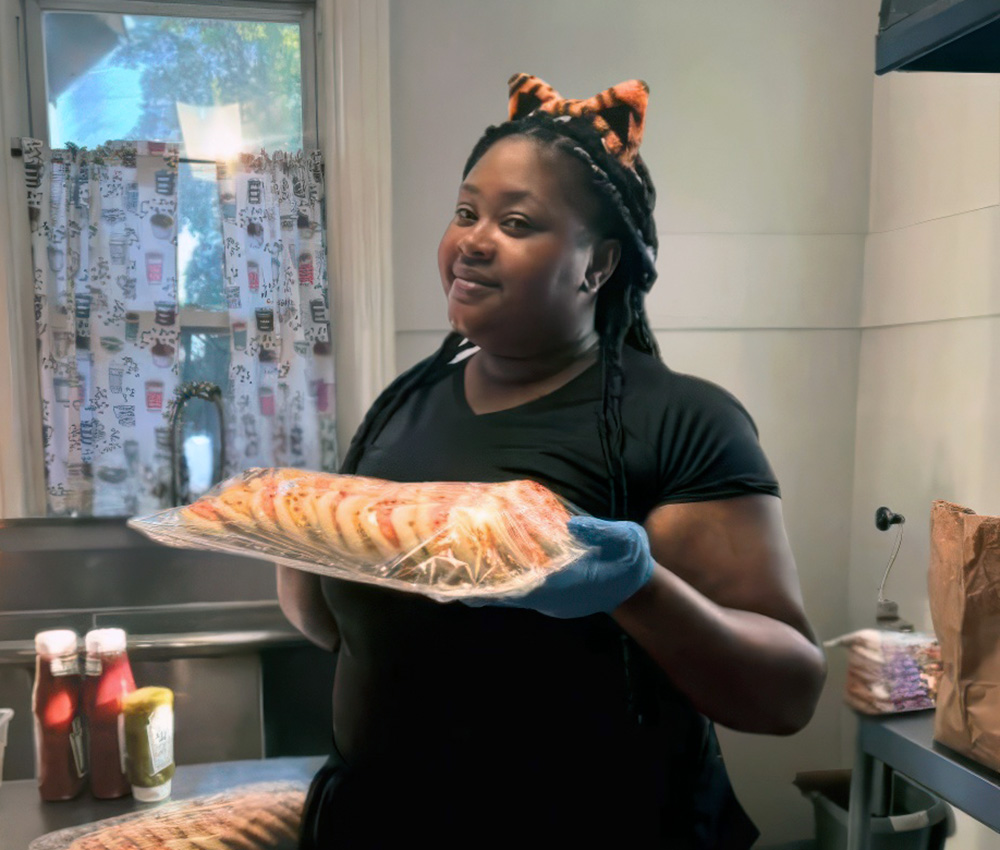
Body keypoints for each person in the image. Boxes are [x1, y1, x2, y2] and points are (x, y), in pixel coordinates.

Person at [279, 72, 827, 849]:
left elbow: (787, 695)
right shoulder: (402, 408)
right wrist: (289, 545)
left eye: (516, 222)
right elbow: (344, 636)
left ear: (597, 266)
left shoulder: (680, 421)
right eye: (466, 212)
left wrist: (636, 587)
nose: (472, 238)